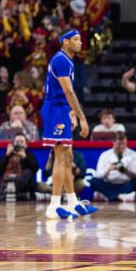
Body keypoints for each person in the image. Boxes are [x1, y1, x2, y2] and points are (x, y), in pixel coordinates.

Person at [42, 28, 97, 219]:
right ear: (65, 42)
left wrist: (71, 113)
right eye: (75, 39)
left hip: (62, 110)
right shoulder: (60, 60)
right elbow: (68, 92)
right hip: (55, 110)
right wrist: (81, 117)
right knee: (60, 156)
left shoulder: (68, 61)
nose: (80, 43)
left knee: (68, 157)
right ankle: (54, 205)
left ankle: (73, 202)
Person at [91, 132, 136, 201]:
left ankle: (108, 196)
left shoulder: (133, 154)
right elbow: (98, 175)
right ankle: (121, 197)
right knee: (93, 181)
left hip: (126, 184)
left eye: (124, 144)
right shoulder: (105, 155)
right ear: (113, 142)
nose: (121, 146)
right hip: (109, 184)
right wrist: (108, 169)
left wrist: (126, 171)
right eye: (119, 144)